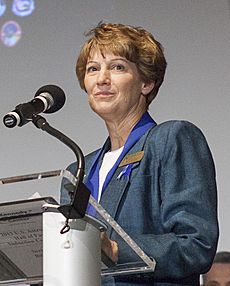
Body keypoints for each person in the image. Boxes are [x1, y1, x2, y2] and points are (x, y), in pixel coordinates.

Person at [60, 22, 219, 285]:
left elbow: (196, 245)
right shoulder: (79, 169)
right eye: (93, 69)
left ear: (146, 82)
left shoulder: (171, 139)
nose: (101, 79)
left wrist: (115, 250)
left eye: (117, 67)